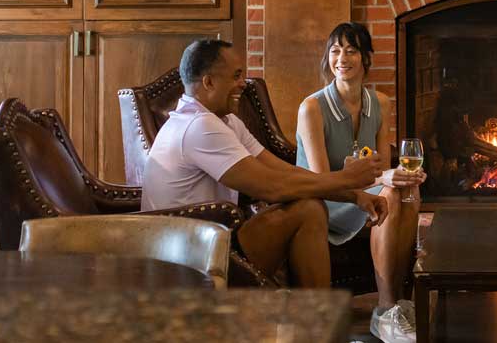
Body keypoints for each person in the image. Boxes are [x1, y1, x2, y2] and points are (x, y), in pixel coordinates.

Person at [142, 39, 388, 288]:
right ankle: (317, 318)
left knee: (309, 205)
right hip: (187, 257)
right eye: (237, 76)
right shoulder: (199, 126)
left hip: (209, 241)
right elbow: (272, 187)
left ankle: (311, 318)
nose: (243, 84)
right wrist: (347, 177)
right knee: (307, 209)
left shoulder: (225, 121)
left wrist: (354, 195)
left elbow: (282, 170)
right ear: (208, 82)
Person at [297, 22, 425, 343]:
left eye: (351, 51)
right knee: (392, 193)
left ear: (366, 59)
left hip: (361, 194)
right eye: (335, 51)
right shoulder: (312, 107)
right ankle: (384, 309)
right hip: (323, 202)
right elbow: (322, 180)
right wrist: (383, 180)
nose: (342, 58)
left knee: (408, 190)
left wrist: (397, 176)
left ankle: (396, 303)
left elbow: (380, 166)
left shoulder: (379, 103)